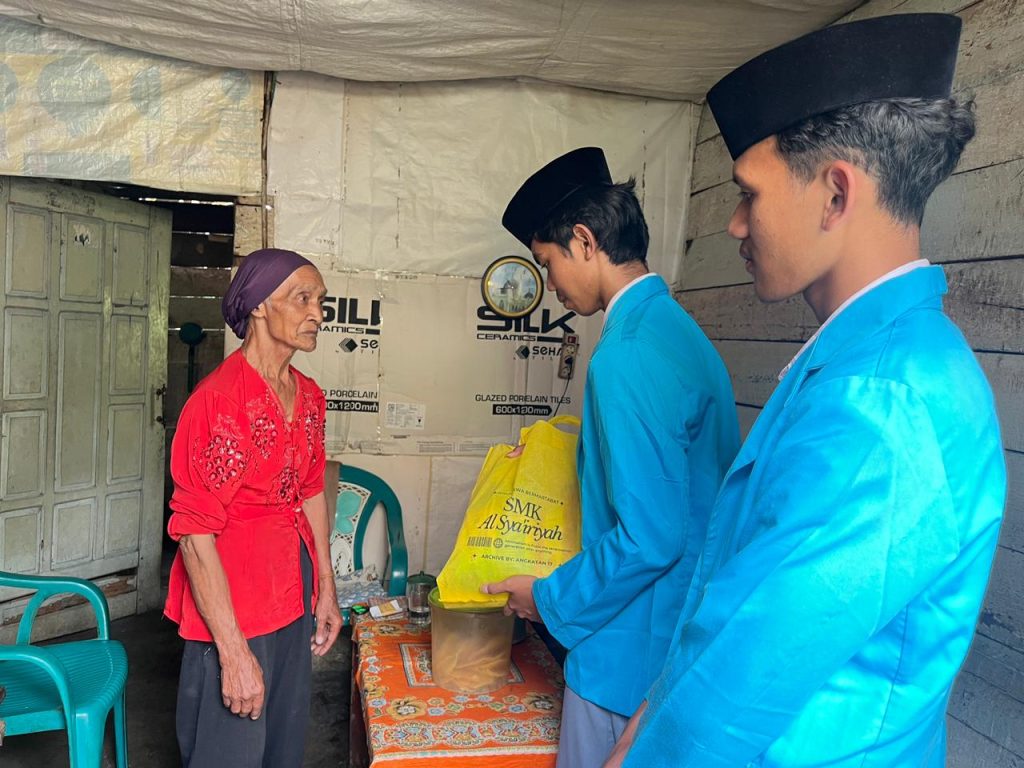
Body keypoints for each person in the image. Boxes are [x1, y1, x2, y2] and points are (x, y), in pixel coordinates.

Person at [606, 13, 1007, 767]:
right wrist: (656, 706)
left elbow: (748, 680)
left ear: (834, 194)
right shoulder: (868, 361)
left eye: (749, 194)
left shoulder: (882, 402)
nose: (735, 225)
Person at [483, 147, 741, 768]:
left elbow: (650, 536)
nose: (550, 285)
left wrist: (548, 600)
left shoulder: (626, 353)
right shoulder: (678, 331)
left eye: (547, 264)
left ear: (584, 240)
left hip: (629, 653)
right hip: (676, 635)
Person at [164, 248, 343, 768]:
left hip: (292, 588)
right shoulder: (218, 402)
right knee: (231, 747)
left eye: (321, 301)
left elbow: (311, 489)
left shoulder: (308, 396)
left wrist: (326, 587)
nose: (317, 313)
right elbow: (195, 535)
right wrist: (233, 651)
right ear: (259, 305)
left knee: (282, 743)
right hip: (233, 599)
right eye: (302, 298)